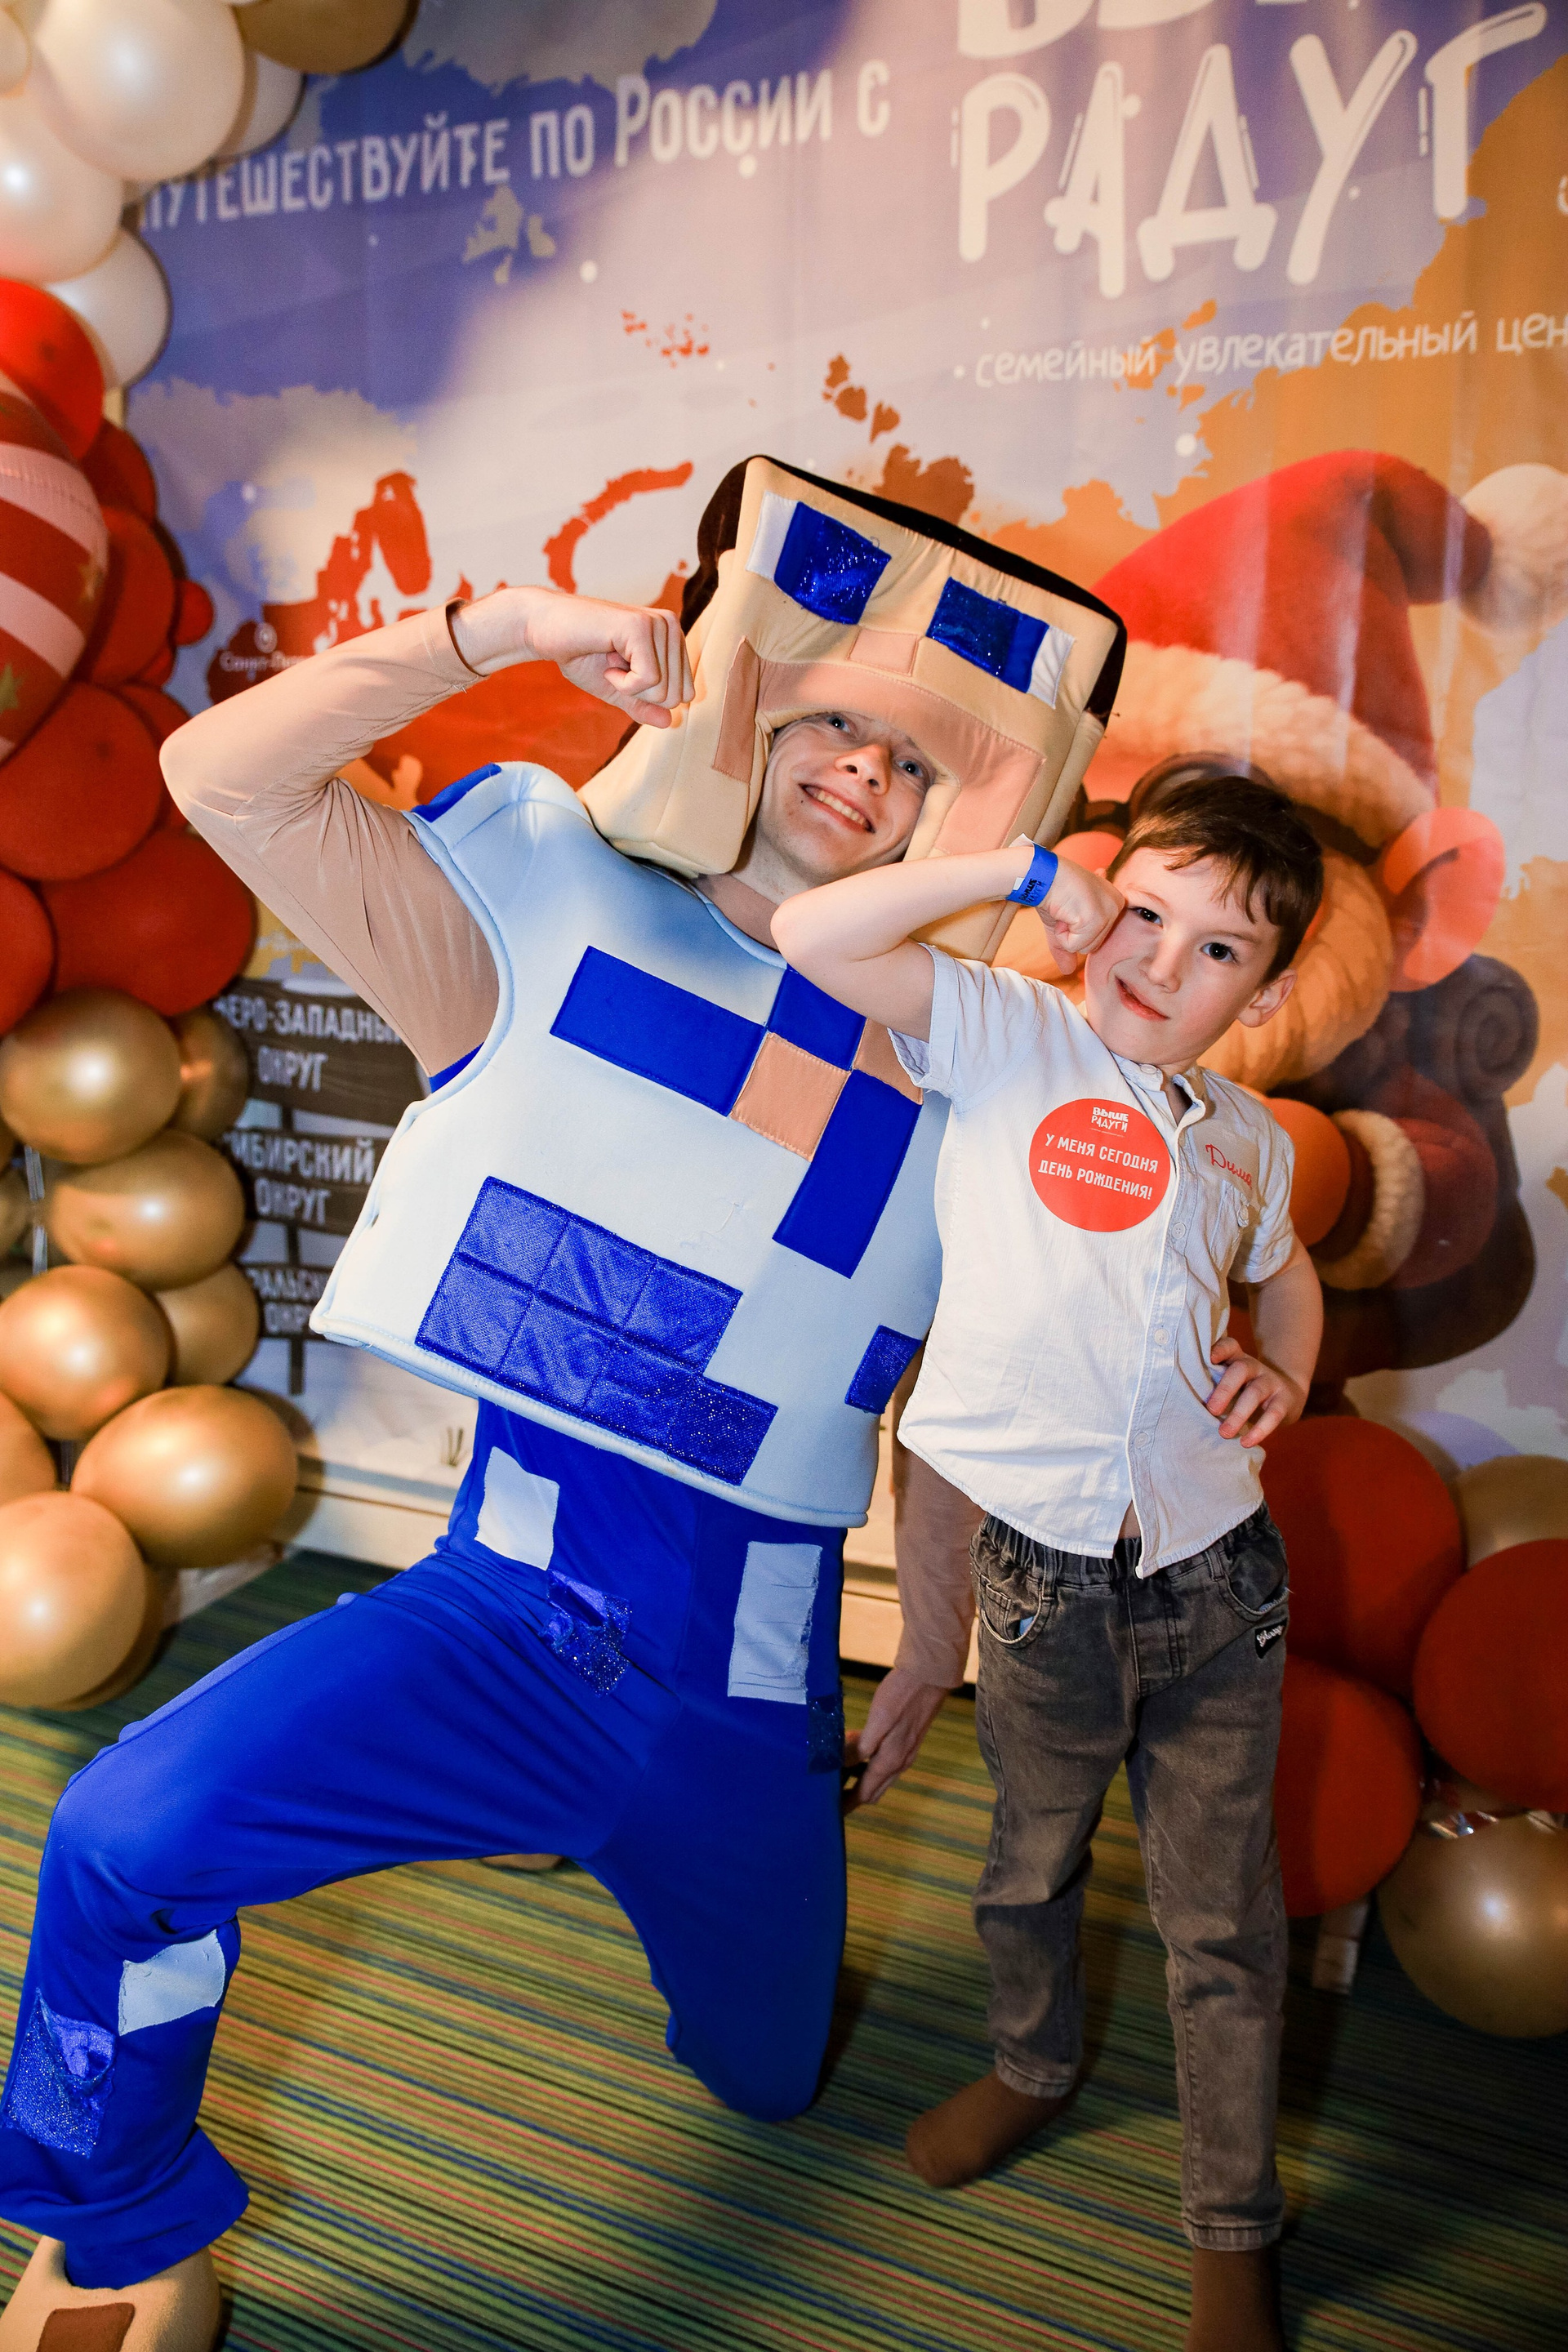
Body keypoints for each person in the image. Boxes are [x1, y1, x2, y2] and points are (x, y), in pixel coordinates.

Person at [0, 457, 1123, 2346]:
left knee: (768, 2078)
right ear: (752, 710)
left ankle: (615, 1852)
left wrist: (932, 1624)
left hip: (751, 1701)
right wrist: (504, 629)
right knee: (124, 1837)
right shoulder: (543, 916)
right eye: (832, 722)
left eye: (911, 757)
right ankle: (116, 2232)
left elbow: (933, 1372)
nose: (863, 770)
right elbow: (223, 778)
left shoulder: (980, 1071)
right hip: (503, 1627)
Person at [774, 776, 1325, 2352]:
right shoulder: (1011, 1032)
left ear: (1261, 997)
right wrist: (1023, 872)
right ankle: (1032, 2065)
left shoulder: (1251, 1141)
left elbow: (1286, 1279)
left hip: (1220, 1578)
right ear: (1100, 904)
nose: (1160, 959)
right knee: (1029, 1865)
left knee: (1224, 1922)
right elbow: (817, 931)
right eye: (1146, 911)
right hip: (1042, 1584)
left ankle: (1232, 2221)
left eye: (1217, 950)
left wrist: (1286, 1372)